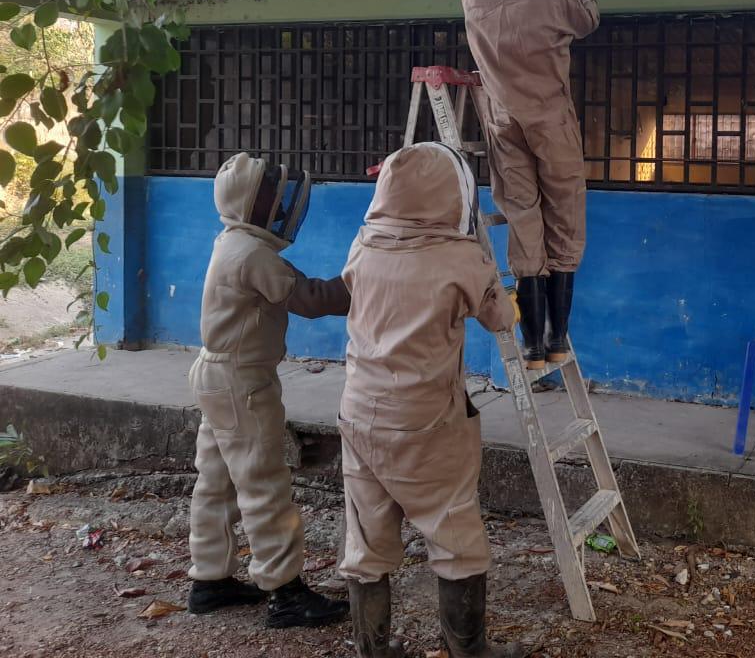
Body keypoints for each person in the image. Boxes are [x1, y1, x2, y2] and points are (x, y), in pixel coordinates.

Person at [338, 142, 528, 658]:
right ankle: (468, 651)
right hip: (427, 418)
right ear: (455, 194)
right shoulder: (461, 256)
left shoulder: (364, 245)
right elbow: (500, 319)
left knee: (366, 538)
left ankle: (371, 650)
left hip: (359, 412)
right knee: (454, 534)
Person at [187, 153, 351, 627]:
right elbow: (314, 300)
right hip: (241, 381)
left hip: (216, 376)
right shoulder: (251, 254)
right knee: (263, 483)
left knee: (216, 482)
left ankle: (211, 580)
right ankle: (286, 592)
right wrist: (370, 275)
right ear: (247, 202)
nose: (277, 206)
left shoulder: (231, 241)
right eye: (266, 197)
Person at [460, 0, 598, 370]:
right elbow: (587, 19)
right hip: (550, 117)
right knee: (564, 211)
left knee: (521, 214)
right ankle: (558, 339)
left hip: (502, 119)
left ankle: (532, 346)